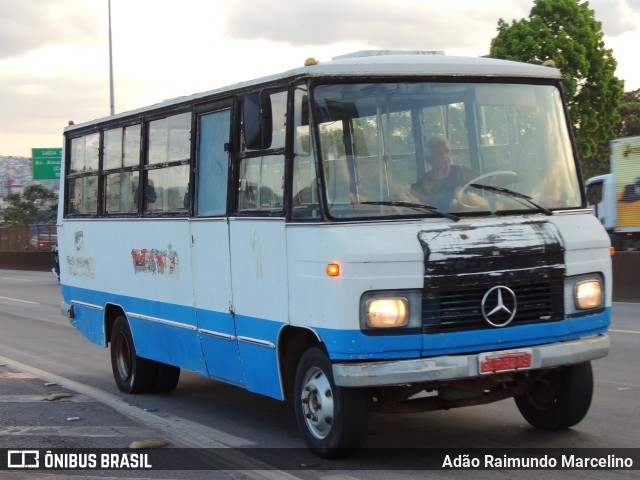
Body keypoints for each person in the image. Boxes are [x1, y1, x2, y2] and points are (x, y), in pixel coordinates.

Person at [410, 136, 478, 210]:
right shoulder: (420, 186)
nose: (445, 156)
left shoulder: (462, 173)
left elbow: (489, 182)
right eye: (439, 153)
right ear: (428, 159)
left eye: (447, 151)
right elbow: (418, 211)